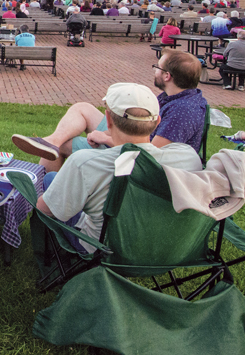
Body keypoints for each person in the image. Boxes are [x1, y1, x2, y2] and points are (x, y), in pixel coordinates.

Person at [33, 83, 202, 251]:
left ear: (108, 120)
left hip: (104, 248)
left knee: (50, 180)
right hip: (162, 248)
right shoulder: (188, 157)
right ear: (157, 121)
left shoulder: (84, 162)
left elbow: (45, 210)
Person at [12, 51, 207, 170]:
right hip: (135, 133)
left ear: (167, 76)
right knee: (83, 109)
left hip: (133, 154)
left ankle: (50, 195)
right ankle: (50, 142)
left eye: (157, 67)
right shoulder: (179, 97)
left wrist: (106, 138)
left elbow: (149, 155)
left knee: (65, 146)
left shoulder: (182, 112)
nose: (154, 70)